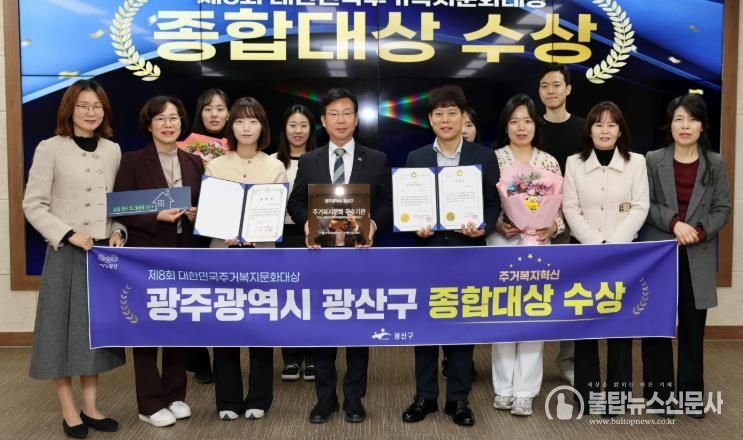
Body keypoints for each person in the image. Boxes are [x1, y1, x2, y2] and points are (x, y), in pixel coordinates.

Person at [23, 79, 125, 438]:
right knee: (59, 332)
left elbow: (118, 203)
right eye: (83, 105)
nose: (90, 112)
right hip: (65, 252)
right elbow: (33, 204)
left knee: (91, 334)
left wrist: (117, 231)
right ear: (70, 109)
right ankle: (69, 412)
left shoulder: (112, 150)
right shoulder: (50, 148)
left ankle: (91, 408)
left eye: (97, 106)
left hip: (100, 255)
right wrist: (67, 234)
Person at [287, 88, 392, 424]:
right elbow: (296, 202)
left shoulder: (376, 159)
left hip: (361, 257)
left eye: (347, 113)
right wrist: (306, 223)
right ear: (323, 120)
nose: (341, 120)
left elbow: (388, 202)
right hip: (321, 258)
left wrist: (373, 223)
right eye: (334, 114)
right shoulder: (309, 160)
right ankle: (325, 398)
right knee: (323, 329)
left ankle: (354, 398)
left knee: (358, 329)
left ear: (356, 119)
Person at [401, 85, 500, 427]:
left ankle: (458, 399)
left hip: (466, 252)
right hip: (427, 252)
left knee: (462, 326)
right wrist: (414, 227)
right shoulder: (416, 158)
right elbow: (408, 205)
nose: (445, 120)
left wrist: (482, 227)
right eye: (439, 114)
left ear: (463, 117)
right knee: (426, 326)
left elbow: (492, 204)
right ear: (430, 119)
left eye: (452, 113)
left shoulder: (483, 156)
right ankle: (425, 396)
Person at [113, 96, 202, 427]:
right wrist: (155, 216)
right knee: (147, 326)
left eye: (174, 117)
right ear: (149, 124)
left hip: (184, 252)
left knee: (179, 323)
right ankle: (149, 403)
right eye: (161, 118)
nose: (168, 124)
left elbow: (204, 206)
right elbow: (120, 208)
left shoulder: (194, 162)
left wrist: (198, 214)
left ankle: (175, 394)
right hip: (146, 254)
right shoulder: (133, 161)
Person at [640, 94, 730, 418]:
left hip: (697, 253)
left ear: (702, 125)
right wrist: (675, 224)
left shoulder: (715, 163)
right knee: (657, 326)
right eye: (679, 119)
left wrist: (699, 231)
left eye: (692, 119)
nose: (685, 126)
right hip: (660, 254)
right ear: (670, 124)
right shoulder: (653, 159)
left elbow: (722, 208)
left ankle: (691, 398)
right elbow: (645, 204)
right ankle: (659, 398)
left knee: (693, 330)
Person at [562, 101, 649, 415]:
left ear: (620, 130)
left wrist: (613, 244)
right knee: (586, 325)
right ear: (589, 130)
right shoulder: (574, 163)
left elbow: (640, 206)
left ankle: (618, 396)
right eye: (598, 124)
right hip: (586, 254)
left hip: (623, 256)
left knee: (619, 326)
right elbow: (570, 208)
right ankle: (586, 395)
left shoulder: (636, 162)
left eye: (612, 125)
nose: (605, 130)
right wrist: (595, 243)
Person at [205, 97, 287, 421]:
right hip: (222, 253)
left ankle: (259, 397)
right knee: (223, 325)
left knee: (260, 327)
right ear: (231, 126)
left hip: (262, 254)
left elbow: (277, 215)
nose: (246, 127)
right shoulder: (215, 166)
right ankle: (227, 399)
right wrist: (221, 227)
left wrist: (257, 230)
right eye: (239, 121)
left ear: (262, 127)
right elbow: (211, 212)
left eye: (253, 121)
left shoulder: (274, 167)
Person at [488, 94, 564, 417]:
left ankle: (525, 391)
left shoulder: (549, 162)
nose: (521, 127)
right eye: (514, 121)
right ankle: (503, 387)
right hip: (502, 243)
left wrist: (553, 227)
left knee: (533, 314)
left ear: (536, 125)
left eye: (528, 121)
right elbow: (485, 204)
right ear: (505, 125)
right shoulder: (493, 159)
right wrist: (497, 223)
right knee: (504, 315)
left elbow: (560, 209)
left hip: (538, 246)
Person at [538, 62, 584, 384]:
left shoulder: (583, 129)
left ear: (568, 89)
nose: (550, 91)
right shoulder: (531, 126)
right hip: (531, 225)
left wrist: (567, 217)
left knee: (570, 294)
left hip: (573, 223)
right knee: (534, 292)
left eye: (556, 85)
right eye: (544, 86)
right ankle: (529, 365)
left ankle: (568, 360)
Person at [185, 88, 230, 385]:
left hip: (226, 233)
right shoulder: (184, 147)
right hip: (192, 232)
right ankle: (199, 360)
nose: (214, 114)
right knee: (195, 297)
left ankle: (225, 359)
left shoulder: (238, 145)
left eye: (220, 108)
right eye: (208, 108)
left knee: (222, 297)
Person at [271, 104, 318, 382]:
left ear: (311, 129)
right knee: (287, 297)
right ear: (284, 129)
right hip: (280, 236)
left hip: (314, 236)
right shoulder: (272, 161)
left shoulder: (320, 160)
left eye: (303, 125)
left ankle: (313, 357)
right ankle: (291, 358)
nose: (298, 131)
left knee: (312, 297)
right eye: (292, 125)